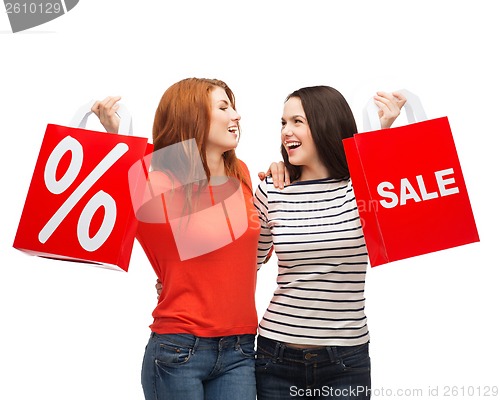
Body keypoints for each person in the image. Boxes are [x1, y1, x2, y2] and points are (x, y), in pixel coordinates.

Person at [91, 78, 280, 400]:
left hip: (241, 347)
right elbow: (114, 194)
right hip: (179, 348)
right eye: (223, 107)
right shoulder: (157, 180)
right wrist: (119, 138)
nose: (236, 115)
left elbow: (252, 257)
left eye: (233, 106)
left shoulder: (243, 174)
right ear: (192, 117)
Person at [253, 86, 405, 400]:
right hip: (275, 356)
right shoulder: (272, 188)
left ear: (325, 125)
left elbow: (413, 201)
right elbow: (245, 263)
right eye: (283, 123)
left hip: (345, 360)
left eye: (297, 121)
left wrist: (383, 130)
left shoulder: (363, 188)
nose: (286, 131)